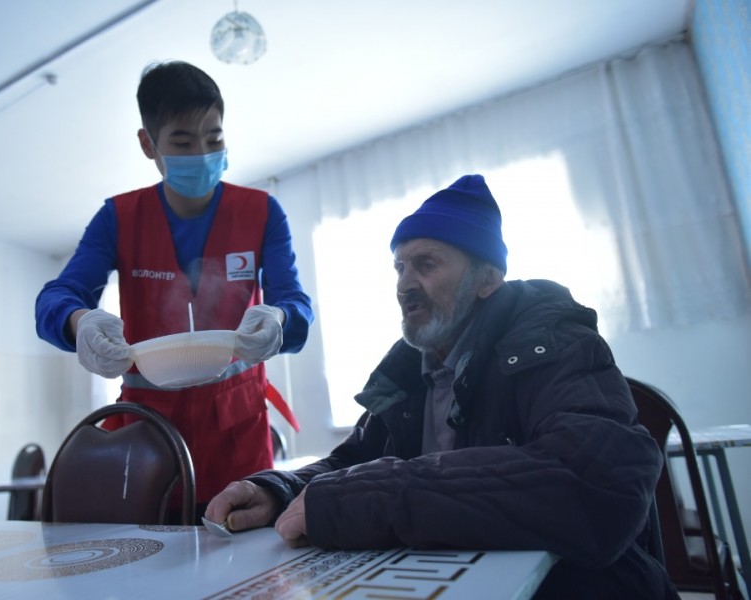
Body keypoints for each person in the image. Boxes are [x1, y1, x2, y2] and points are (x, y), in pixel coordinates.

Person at [205, 174, 678, 598]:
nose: (404, 285)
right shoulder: (407, 372)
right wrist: (279, 491)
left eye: (426, 265)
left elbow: (598, 484)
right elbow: (351, 466)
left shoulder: (556, 343)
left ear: (487, 279)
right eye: (400, 267)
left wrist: (380, 497)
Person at [35, 61, 313, 516]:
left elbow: (295, 303)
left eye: (214, 139)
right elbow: (56, 297)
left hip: (237, 432)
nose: (201, 154)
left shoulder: (262, 212)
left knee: (242, 553)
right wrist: (79, 321)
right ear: (148, 144)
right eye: (183, 142)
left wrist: (280, 317)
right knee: (146, 553)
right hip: (147, 439)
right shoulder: (119, 219)